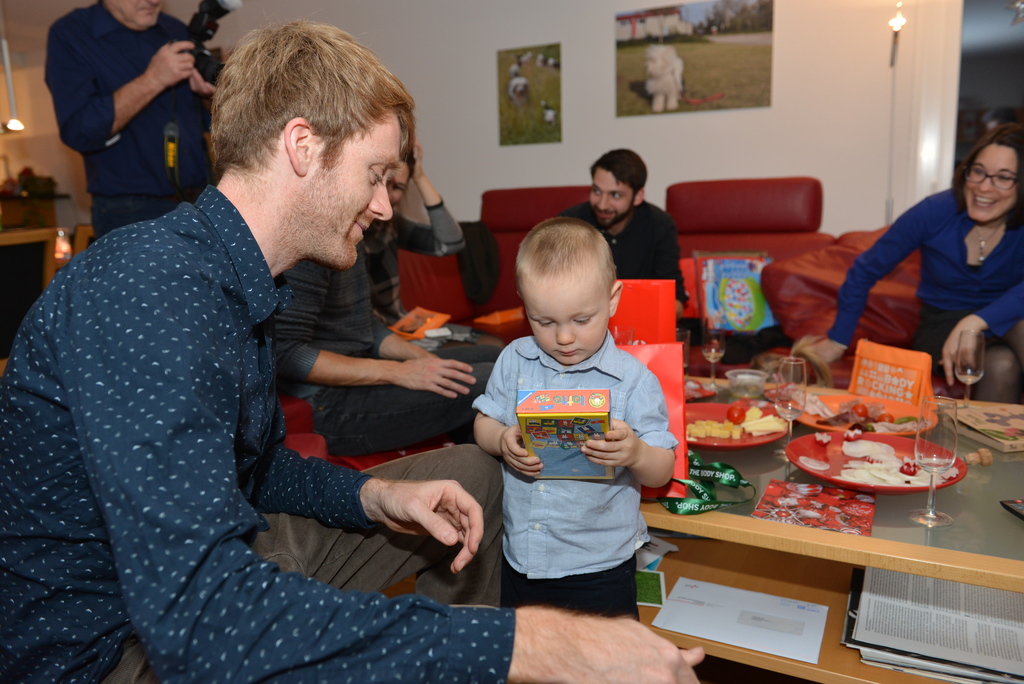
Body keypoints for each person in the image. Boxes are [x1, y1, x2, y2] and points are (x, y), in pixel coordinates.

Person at [0, 21, 704, 684]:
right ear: (302, 147)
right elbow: (202, 622)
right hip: (117, 648)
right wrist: (540, 645)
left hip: (207, 570)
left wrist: (374, 494)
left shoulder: (239, 281)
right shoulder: (150, 289)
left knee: (473, 473)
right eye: (374, 174)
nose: (383, 205)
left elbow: (257, 467)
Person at [473, 218, 677, 618]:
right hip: (522, 557)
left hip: (600, 566)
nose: (564, 338)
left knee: (605, 655)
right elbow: (484, 422)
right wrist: (500, 439)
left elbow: (662, 470)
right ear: (525, 305)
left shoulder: (634, 380)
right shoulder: (515, 360)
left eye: (581, 320)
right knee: (525, 650)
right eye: (544, 322)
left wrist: (637, 453)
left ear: (612, 300)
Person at [811, 123, 1024, 403]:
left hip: (1011, 314)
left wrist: (975, 322)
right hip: (944, 322)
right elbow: (865, 270)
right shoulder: (934, 211)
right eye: (978, 171)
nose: (984, 187)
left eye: (1003, 178)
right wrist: (838, 339)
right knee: (1002, 365)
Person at [275, 243, 500, 455]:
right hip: (323, 403)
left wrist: (425, 360)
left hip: (360, 367)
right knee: (494, 377)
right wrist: (398, 371)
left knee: (498, 357)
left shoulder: (352, 238)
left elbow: (365, 324)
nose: (386, 216)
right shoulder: (308, 252)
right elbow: (286, 354)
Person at [45, 0, 217, 238]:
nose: (153, 1)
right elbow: (79, 130)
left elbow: (203, 120)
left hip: (199, 201)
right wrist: (153, 80)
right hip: (130, 211)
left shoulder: (174, 29)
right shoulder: (71, 33)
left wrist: (207, 97)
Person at [363, 139, 503, 348]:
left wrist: (419, 177)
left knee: (493, 345)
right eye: (384, 182)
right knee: (486, 354)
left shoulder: (391, 225)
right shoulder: (348, 232)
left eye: (398, 187)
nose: (388, 195)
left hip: (401, 327)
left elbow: (451, 243)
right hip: (376, 339)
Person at [560, 149, 687, 319]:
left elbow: (675, 302)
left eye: (615, 195)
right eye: (596, 191)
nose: (602, 205)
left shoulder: (660, 225)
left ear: (638, 196)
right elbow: (554, 292)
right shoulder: (569, 224)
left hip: (641, 324)